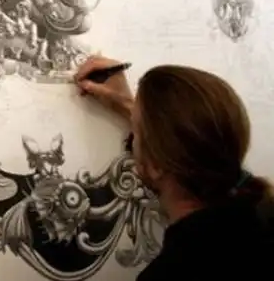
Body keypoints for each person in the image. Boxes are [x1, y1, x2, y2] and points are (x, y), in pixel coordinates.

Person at [74, 55, 274, 280]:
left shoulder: (173, 271)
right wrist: (134, 110)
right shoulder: (262, 217)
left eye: (135, 135)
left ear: (156, 166)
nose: (133, 141)